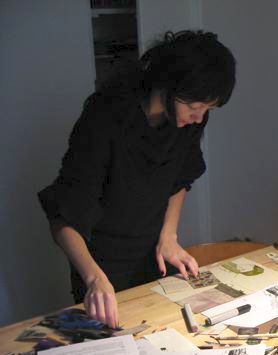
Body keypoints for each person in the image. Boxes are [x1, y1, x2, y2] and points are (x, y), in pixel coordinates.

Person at [38, 31, 236, 328]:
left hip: (154, 252)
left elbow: (182, 177)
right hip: (101, 263)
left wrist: (169, 237)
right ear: (169, 85)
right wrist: (93, 277)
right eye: (195, 107)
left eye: (207, 110)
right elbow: (63, 216)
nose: (199, 118)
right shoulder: (106, 118)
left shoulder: (186, 121)